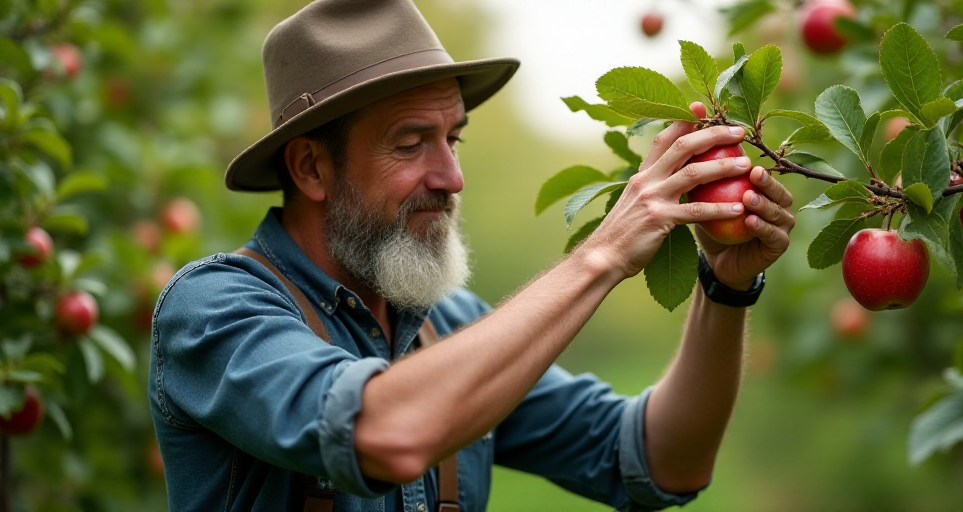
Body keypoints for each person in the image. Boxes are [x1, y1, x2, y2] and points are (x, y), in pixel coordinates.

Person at [147, 0, 796, 511]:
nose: (451, 175)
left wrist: (724, 286)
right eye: (410, 143)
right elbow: (385, 432)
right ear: (312, 168)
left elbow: (663, 460)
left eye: (451, 138)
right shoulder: (214, 309)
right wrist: (602, 256)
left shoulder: (447, 323)